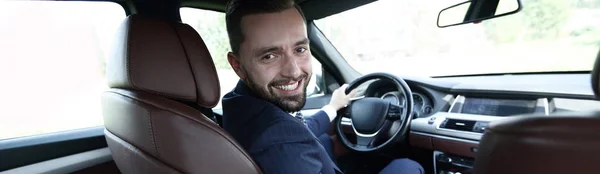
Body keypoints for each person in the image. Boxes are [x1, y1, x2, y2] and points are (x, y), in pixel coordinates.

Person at [221, 0, 424, 173]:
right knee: (407, 166)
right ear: (237, 65)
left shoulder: (237, 102)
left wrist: (332, 108)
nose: (293, 71)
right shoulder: (282, 143)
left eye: (300, 49)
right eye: (269, 56)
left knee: (326, 143)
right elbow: (288, 136)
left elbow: (297, 129)